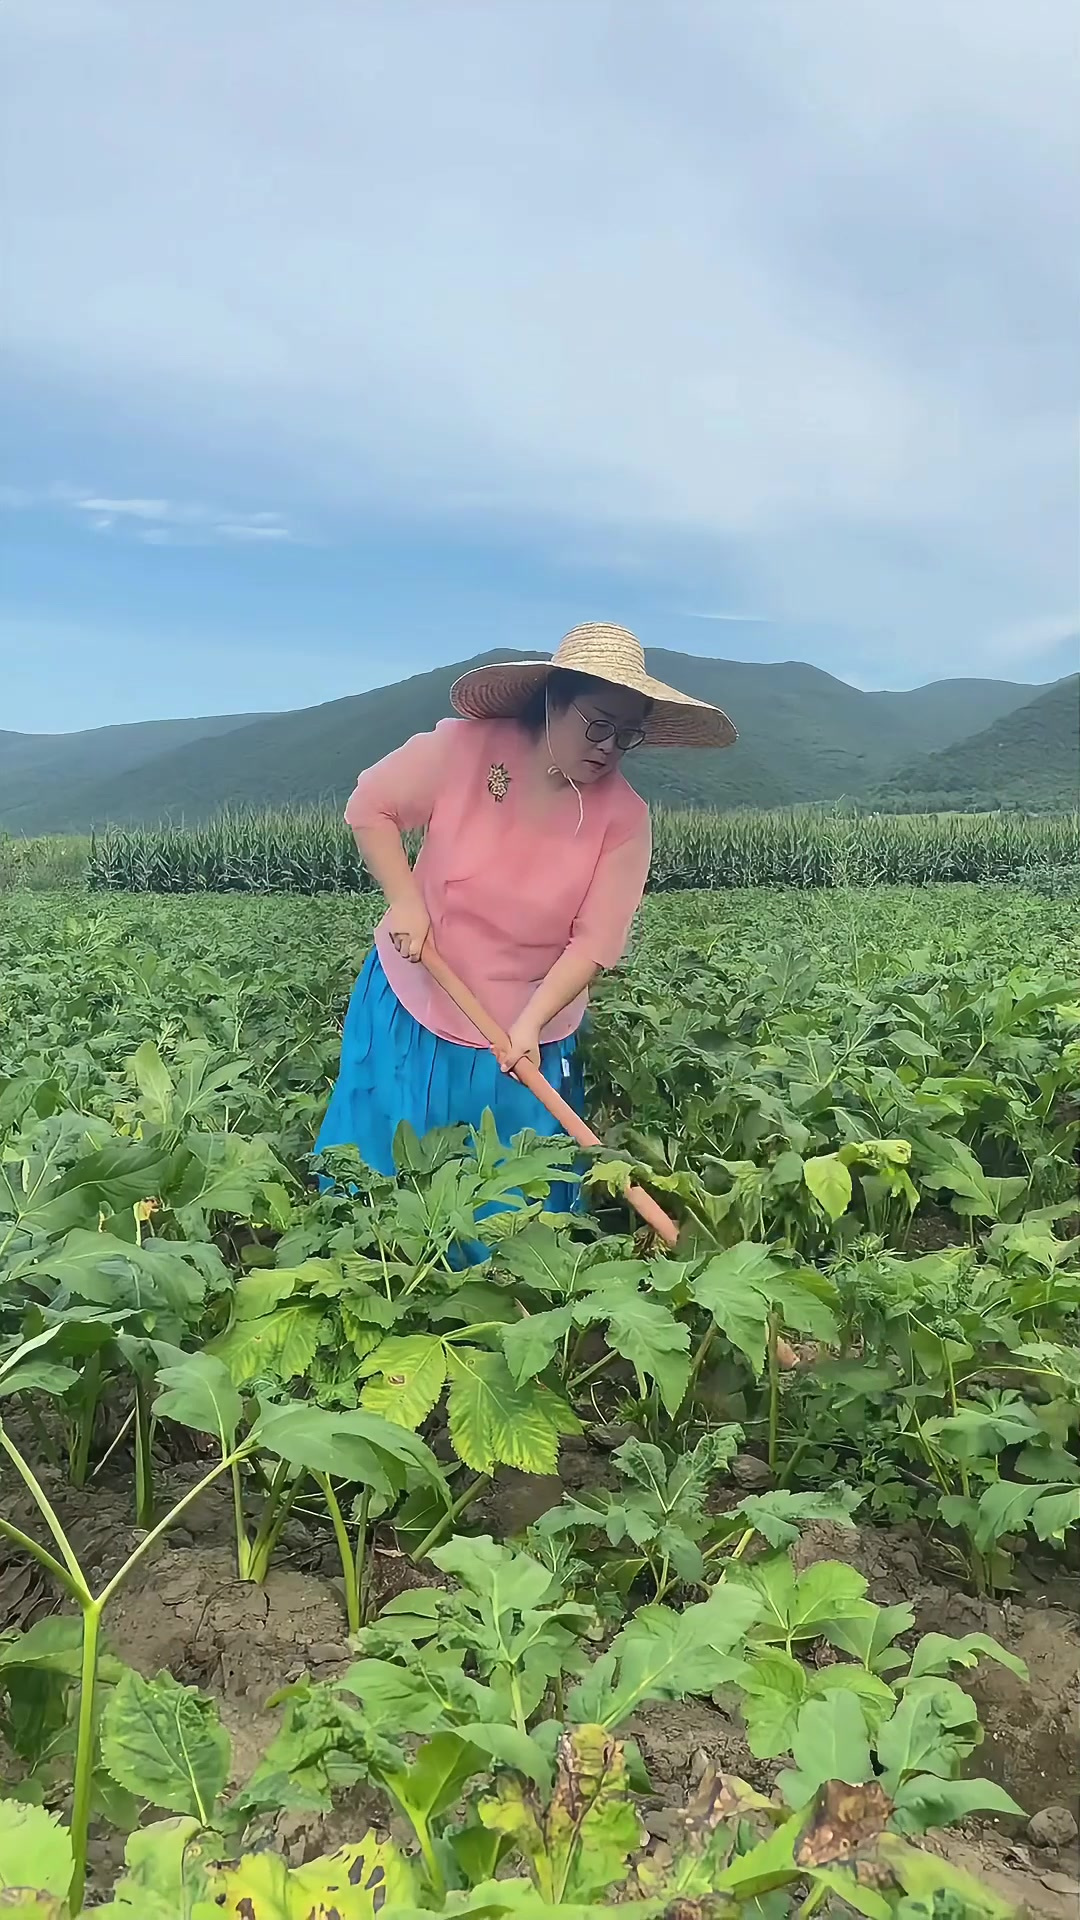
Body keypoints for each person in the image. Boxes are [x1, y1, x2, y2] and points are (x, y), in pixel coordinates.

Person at [314, 622, 736, 1214]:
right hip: (421, 991)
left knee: (511, 1195)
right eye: (598, 725)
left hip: (527, 1026)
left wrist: (532, 1022)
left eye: (626, 735)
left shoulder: (624, 818)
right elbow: (371, 806)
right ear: (552, 702)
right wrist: (406, 902)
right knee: (396, 1171)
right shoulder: (462, 749)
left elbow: (597, 941)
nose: (609, 747)